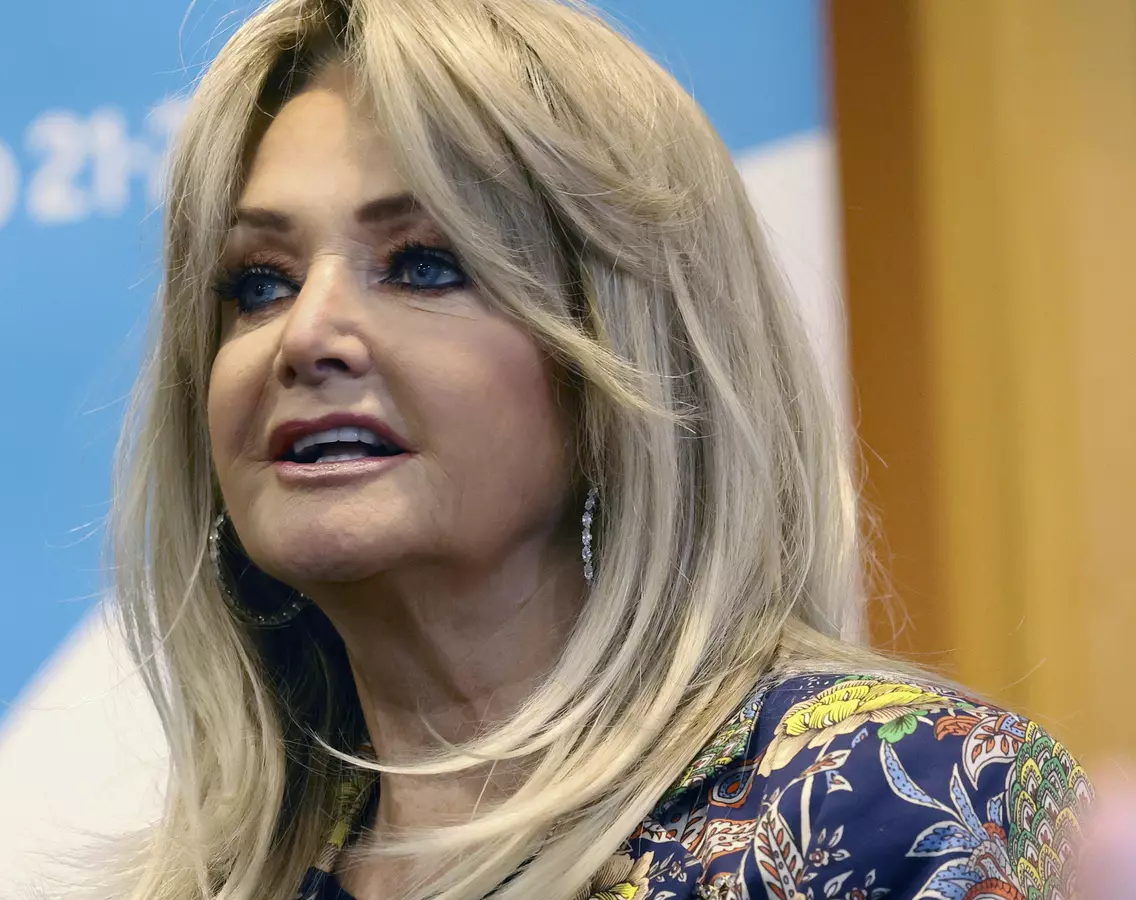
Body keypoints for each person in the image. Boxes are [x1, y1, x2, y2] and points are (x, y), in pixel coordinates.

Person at [96, 1, 1093, 898]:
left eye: (424, 265)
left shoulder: (905, 801)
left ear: (625, 356)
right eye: (259, 283)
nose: (307, 333)